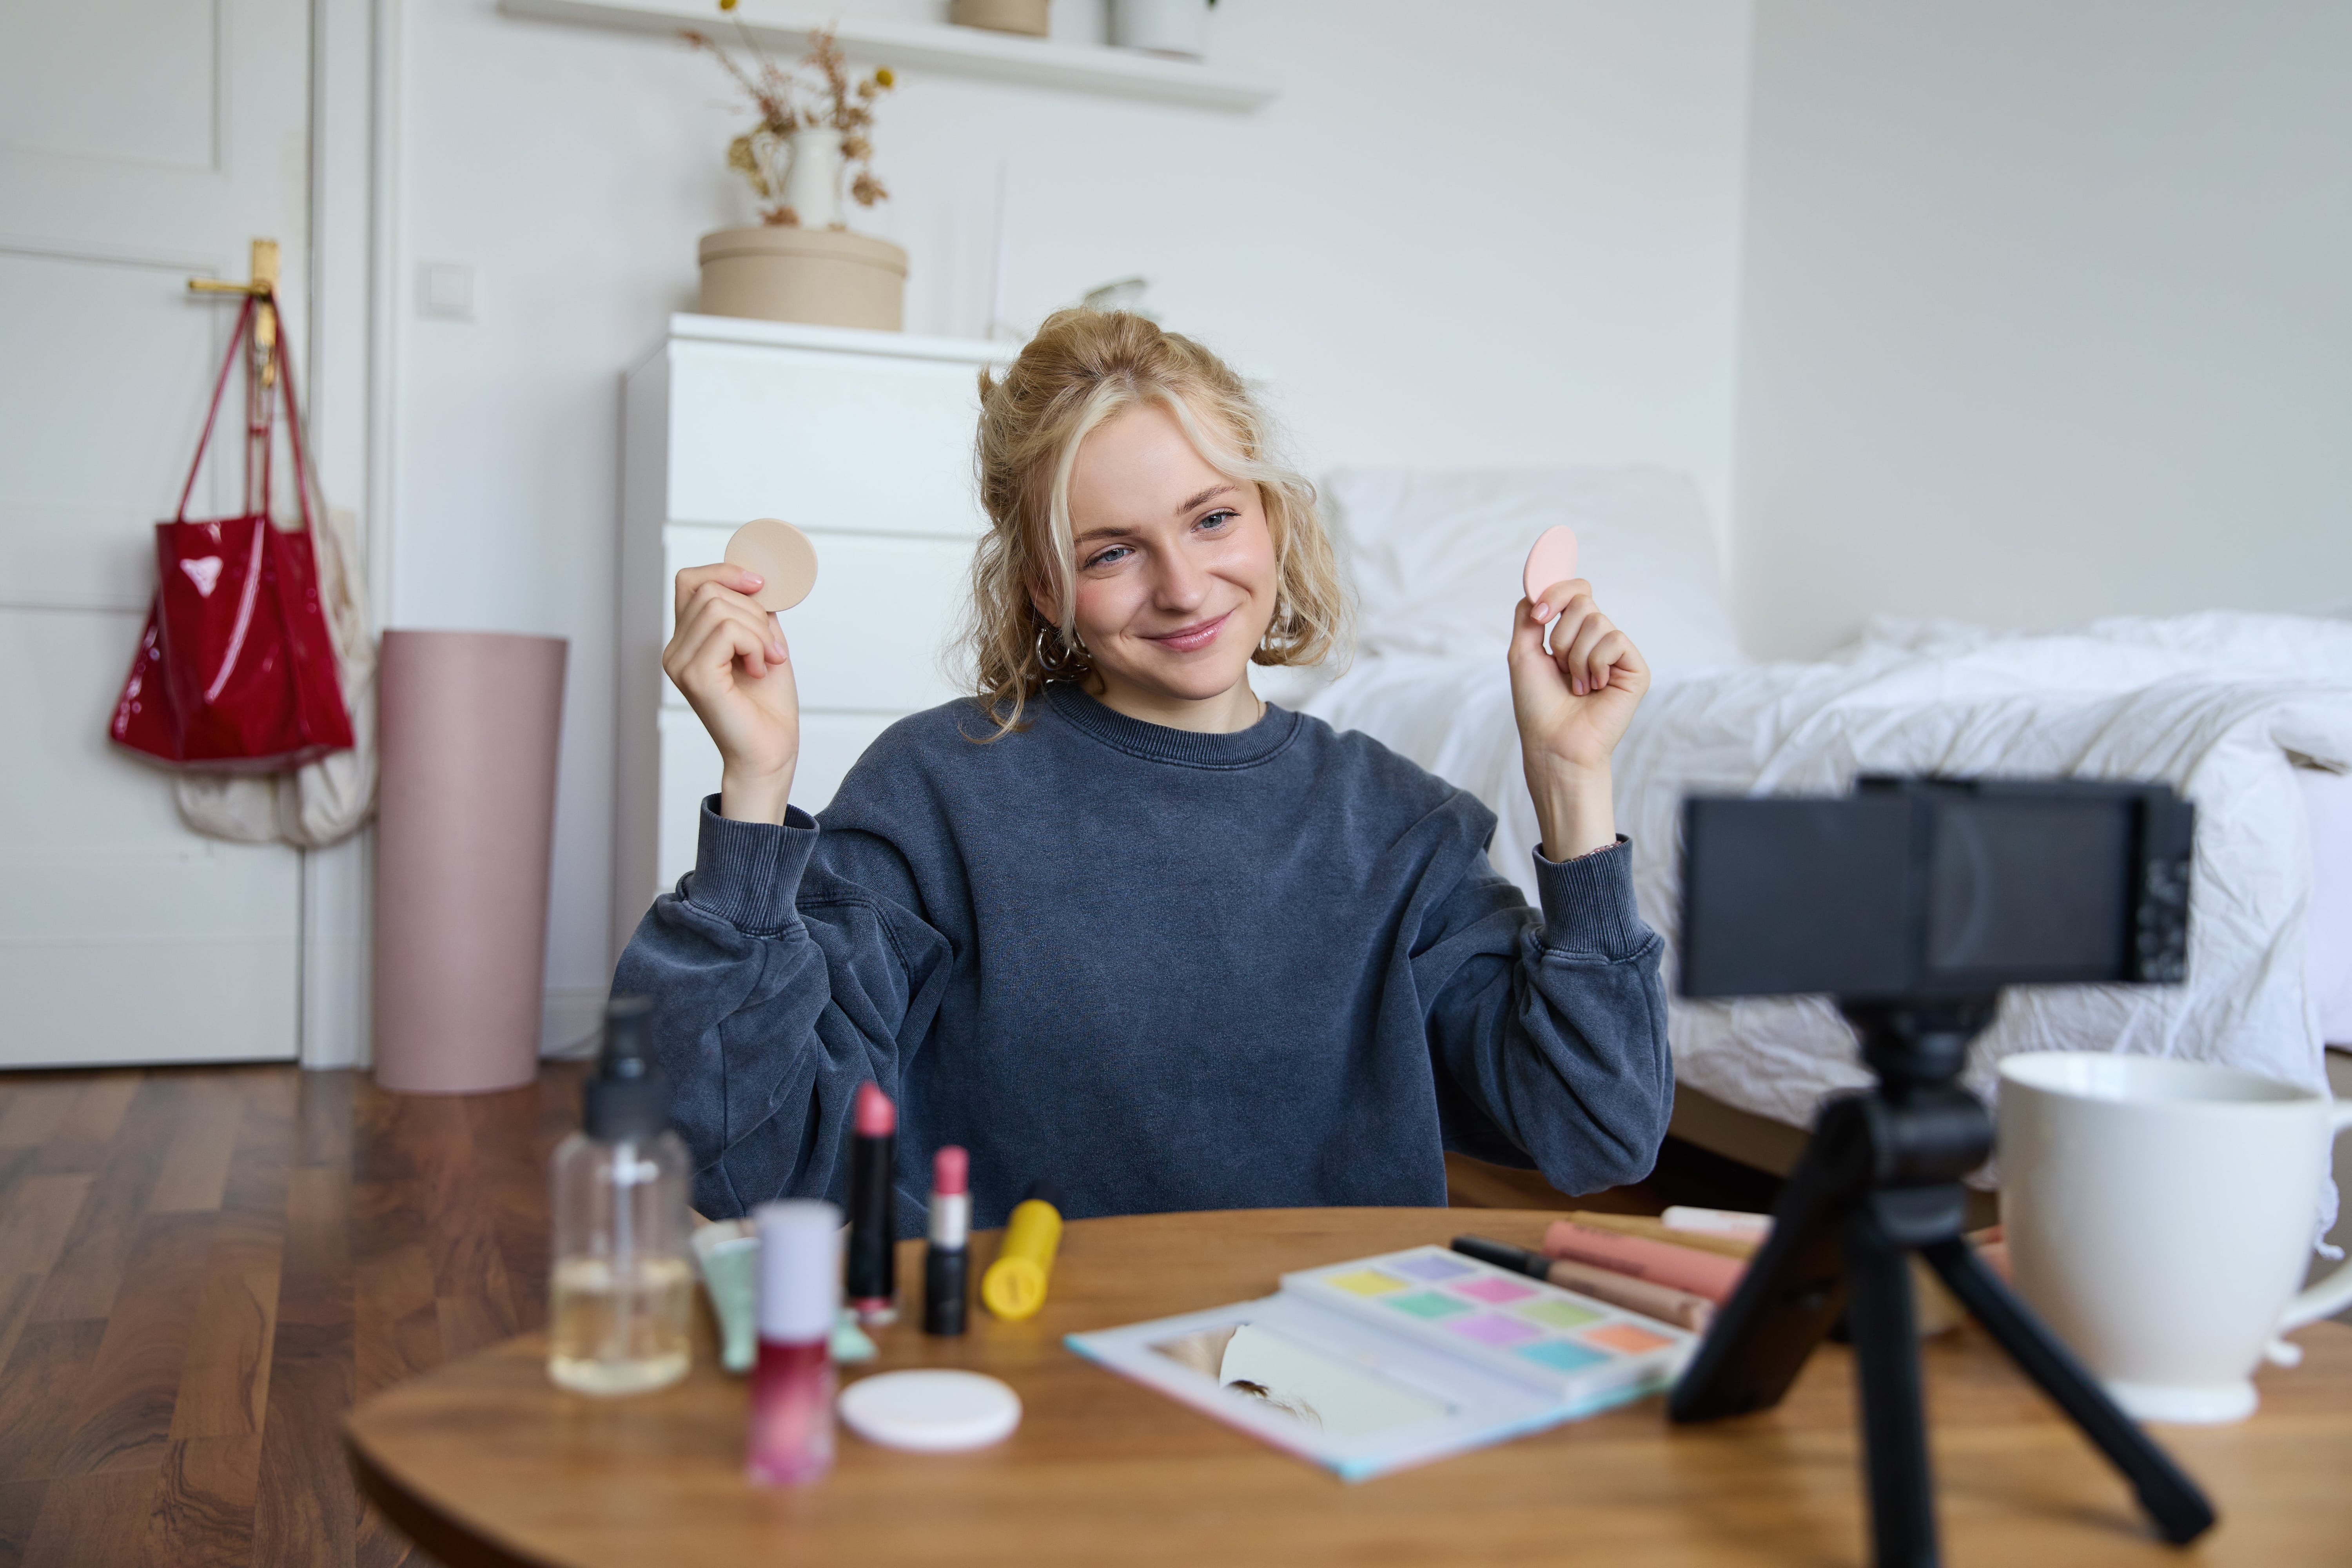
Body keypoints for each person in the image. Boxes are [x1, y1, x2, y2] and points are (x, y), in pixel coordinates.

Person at [616, 309, 1670, 1233]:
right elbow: (729, 1152)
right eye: (1112, 551)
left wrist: (1572, 784)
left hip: (1317, 1378)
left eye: (1213, 517)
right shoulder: (937, 793)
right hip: (1026, 1369)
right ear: (1042, 586)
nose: (1183, 587)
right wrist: (755, 789)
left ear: (1272, 518)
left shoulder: (1400, 826)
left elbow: (1599, 1131)